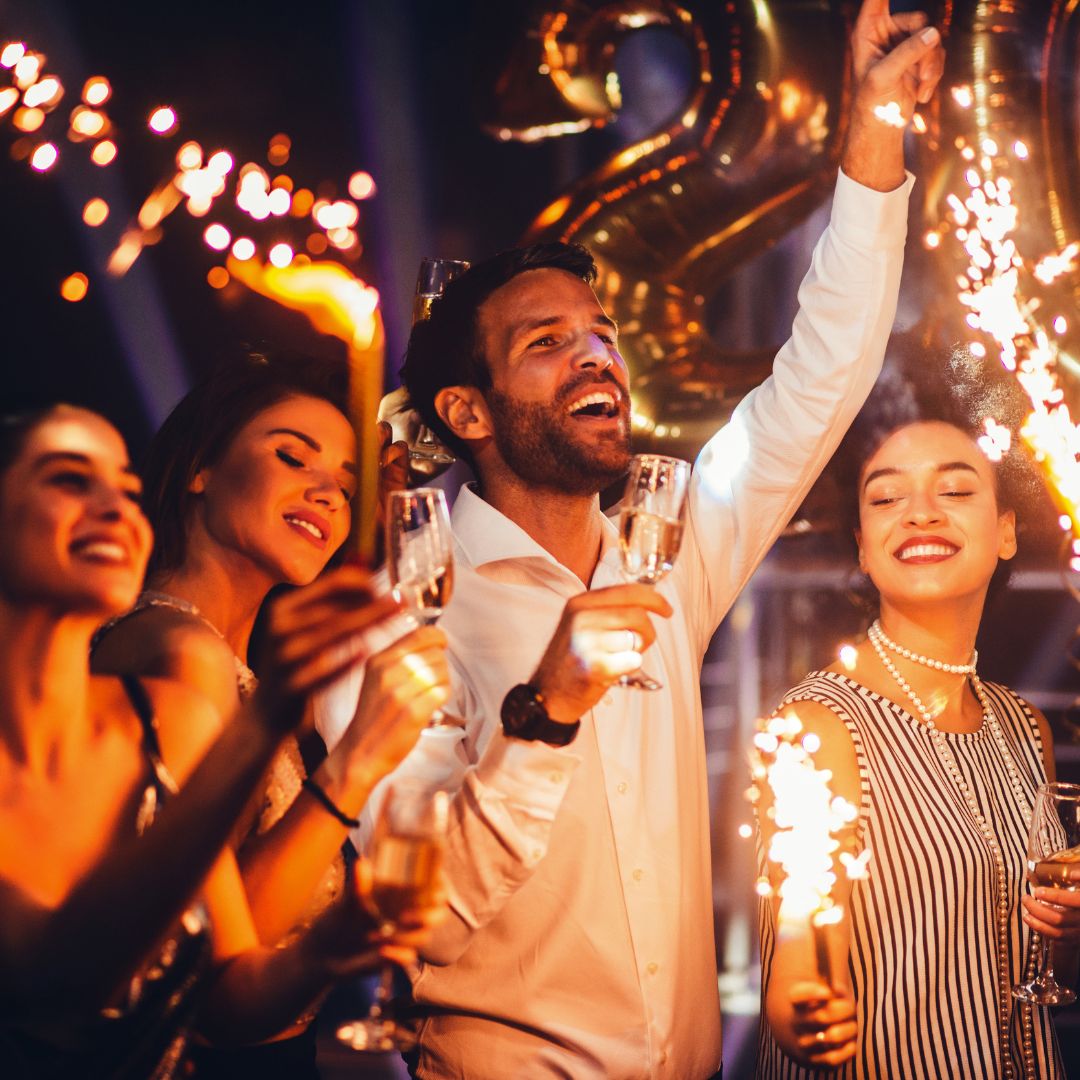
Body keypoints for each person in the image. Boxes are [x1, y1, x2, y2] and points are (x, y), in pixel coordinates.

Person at [315, 2, 946, 1075]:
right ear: (468, 414)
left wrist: (875, 128)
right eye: (548, 343)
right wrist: (544, 710)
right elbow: (420, 920)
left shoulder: (669, 552)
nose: (596, 358)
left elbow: (822, 375)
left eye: (600, 337)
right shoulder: (399, 617)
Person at [0, 405, 443, 1079]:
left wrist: (327, 949)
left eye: (125, 489)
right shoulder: (183, 654)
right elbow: (61, 991)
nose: (116, 508)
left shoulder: (167, 716)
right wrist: (302, 739)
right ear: (200, 470)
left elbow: (223, 993)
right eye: (69, 479)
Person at [756, 353, 1077, 1077]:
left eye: (954, 490)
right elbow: (794, 966)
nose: (920, 513)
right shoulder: (816, 726)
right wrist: (807, 1011)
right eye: (885, 498)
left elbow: (1030, 960)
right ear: (864, 550)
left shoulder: (1024, 727)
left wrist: (1068, 932)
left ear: (1005, 532)